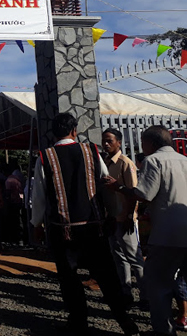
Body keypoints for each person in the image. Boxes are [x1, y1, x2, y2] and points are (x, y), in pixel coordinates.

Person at [31, 113, 138, 336]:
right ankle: (125, 321)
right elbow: (105, 183)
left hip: (63, 229)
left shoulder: (45, 156)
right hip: (94, 226)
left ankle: (78, 322)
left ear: (54, 132)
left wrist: (36, 224)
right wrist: (113, 214)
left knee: (69, 279)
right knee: (107, 277)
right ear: (74, 130)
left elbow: (39, 194)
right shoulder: (91, 151)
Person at [105, 125, 187, 335]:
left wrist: (118, 187)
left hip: (167, 234)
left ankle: (163, 331)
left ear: (150, 143)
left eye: (142, 142)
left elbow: (144, 194)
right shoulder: (184, 160)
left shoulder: (153, 161)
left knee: (158, 285)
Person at [101, 128, 146, 305]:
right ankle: (125, 292)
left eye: (109, 141)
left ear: (119, 142)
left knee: (134, 259)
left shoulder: (125, 163)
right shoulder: (104, 162)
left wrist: (129, 216)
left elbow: (133, 192)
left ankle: (145, 296)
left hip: (124, 218)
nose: (106, 144)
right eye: (104, 140)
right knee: (118, 257)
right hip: (111, 218)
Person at [4, 160, 26, 245]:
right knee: (19, 220)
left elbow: (8, 193)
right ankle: (20, 238)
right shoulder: (19, 177)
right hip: (20, 201)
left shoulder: (10, 180)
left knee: (13, 221)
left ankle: (14, 238)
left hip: (12, 202)